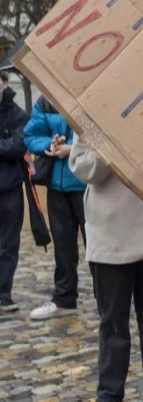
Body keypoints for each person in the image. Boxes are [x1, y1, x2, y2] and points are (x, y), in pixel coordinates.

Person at [69, 134, 143, 402]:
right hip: (112, 238)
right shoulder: (91, 115)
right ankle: (109, 393)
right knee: (113, 324)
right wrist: (112, 143)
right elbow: (83, 168)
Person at [24, 94, 86, 320]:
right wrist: (49, 145)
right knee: (63, 246)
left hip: (87, 184)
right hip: (57, 186)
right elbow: (31, 134)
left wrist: (72, 149)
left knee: (98, 246)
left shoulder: (90, 92)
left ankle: (107, 300)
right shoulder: (46, 100)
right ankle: (64, 299)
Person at [0, 71, 27, 312]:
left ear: (5, 83)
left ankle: (3, 294)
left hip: (9, 186)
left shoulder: (17, 113)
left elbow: (18, 146)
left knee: (8, 243)